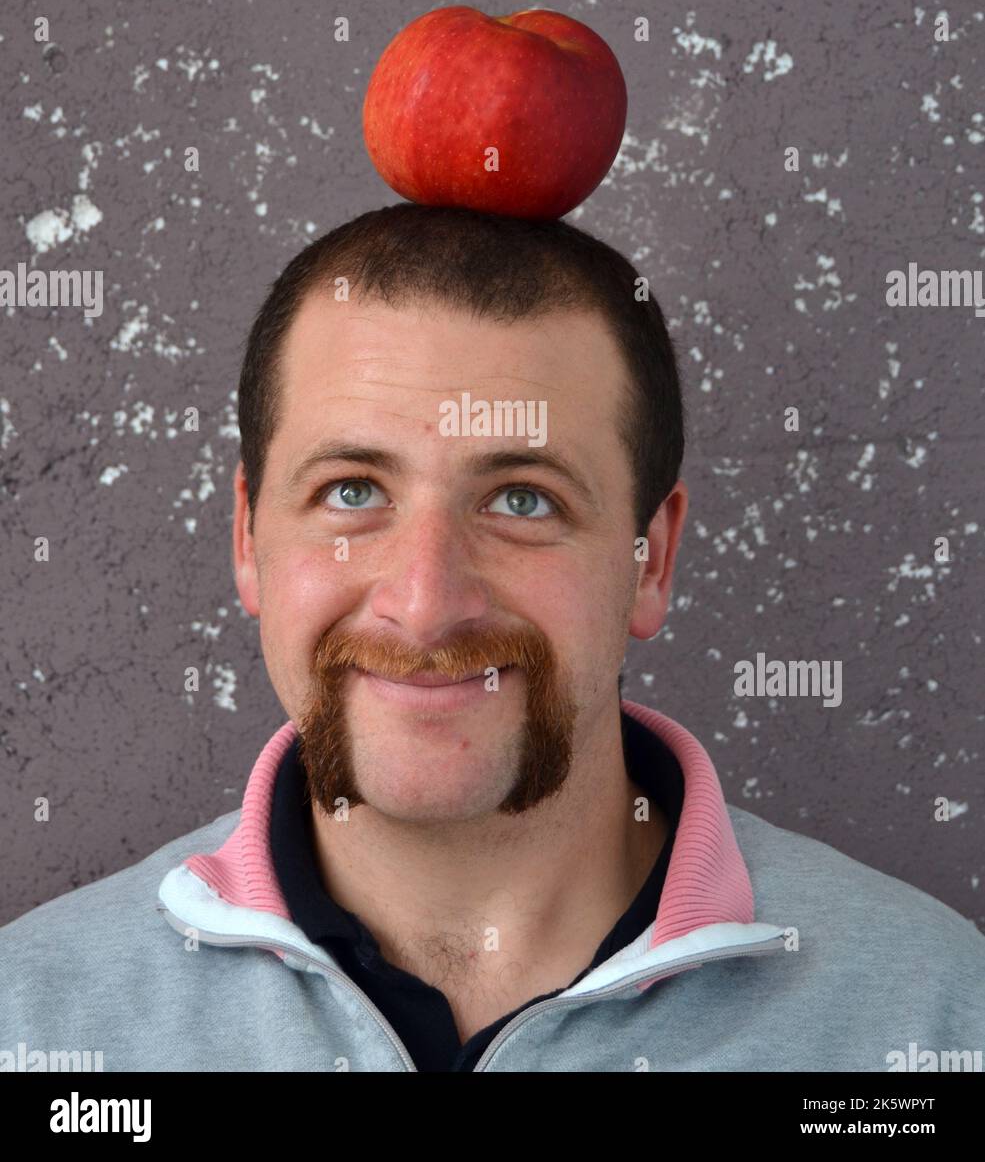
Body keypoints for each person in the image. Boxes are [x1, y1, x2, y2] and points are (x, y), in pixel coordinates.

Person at [2, 203, 983, 1073]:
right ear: (248, 540)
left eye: (521, 499)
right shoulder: (34, 1021)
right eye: (352, 492)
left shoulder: (937, 1022)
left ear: (650, 558)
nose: (426, 604)